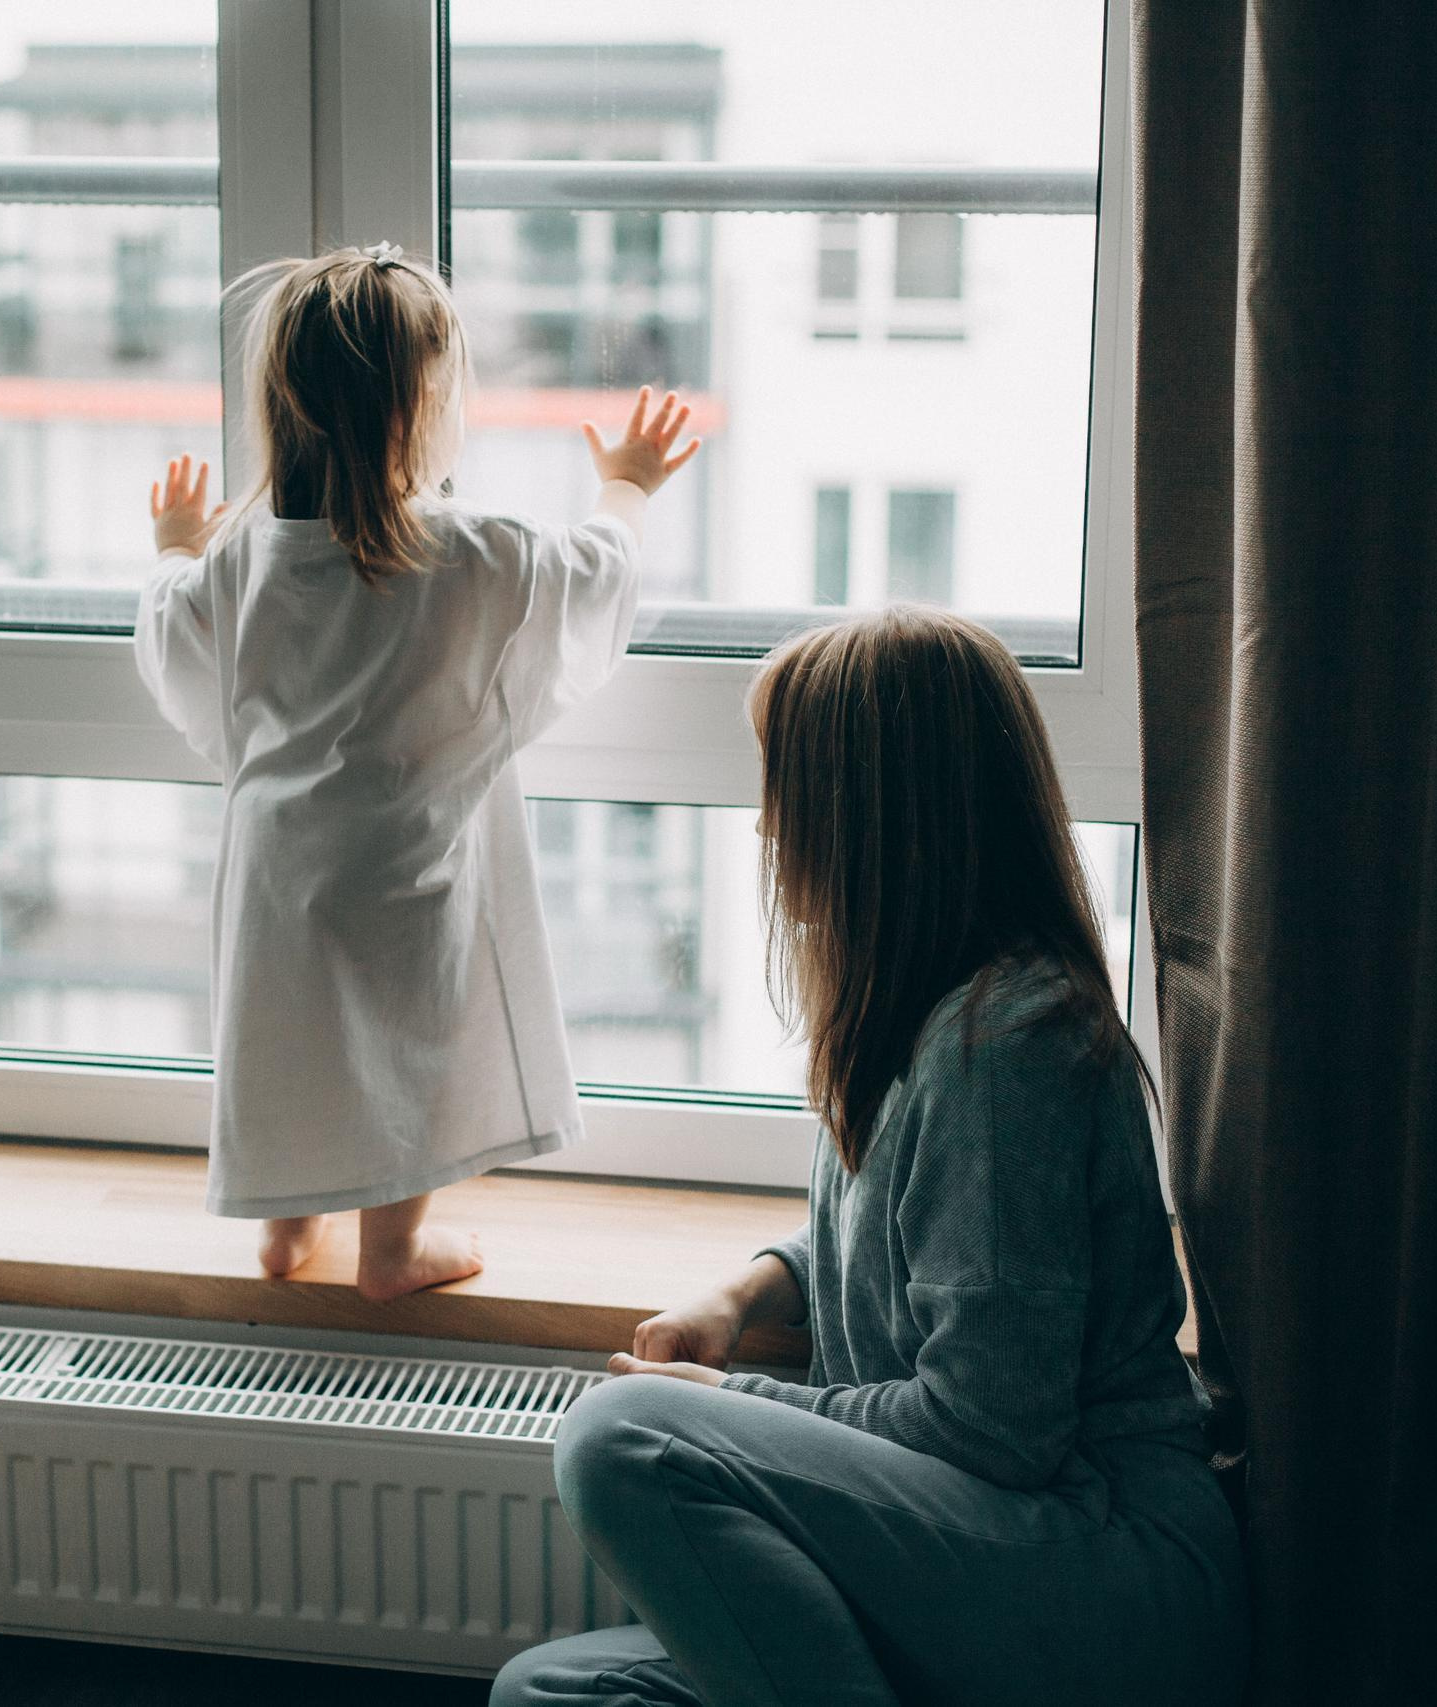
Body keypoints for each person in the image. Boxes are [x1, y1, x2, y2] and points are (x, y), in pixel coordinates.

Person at [493, 610, 1248, 1706]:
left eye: (783, 793)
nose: (764, 832)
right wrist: (741, 1291)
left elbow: (989, 1428)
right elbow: (909, 1233)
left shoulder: (1008, 1045)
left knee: (625, 1438)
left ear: (869, 818)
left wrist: (730, 1400)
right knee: (546, 1695)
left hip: (1098, 1561)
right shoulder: (926, 1025)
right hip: (997, 1557)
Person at [135, 244, 700, 1300]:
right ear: (422, 408)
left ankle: (282, 1224)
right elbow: (593, 580)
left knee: (286, 1035)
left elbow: (174, 642)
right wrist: (623, 488)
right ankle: (390, 1251)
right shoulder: (471, 553)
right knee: (407, 1048)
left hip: (273, 870)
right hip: (404, 865)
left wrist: (172, 542)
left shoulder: (241, 561)